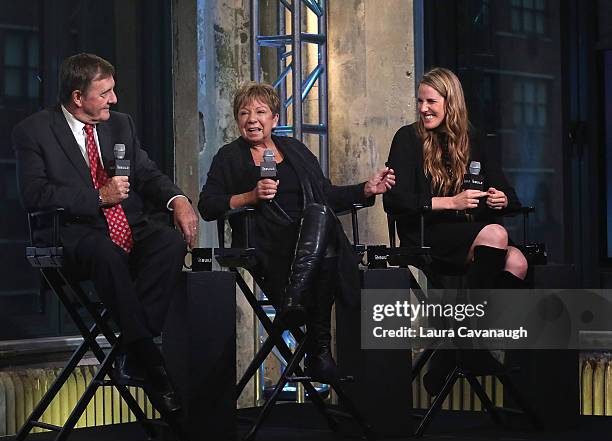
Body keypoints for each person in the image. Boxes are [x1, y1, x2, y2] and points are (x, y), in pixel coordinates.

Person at [13, 53, 199, 413]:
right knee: (106, 252)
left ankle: (134, 351)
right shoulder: (34, 131)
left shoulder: (120, 125)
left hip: (128, 225)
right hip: (75, 232)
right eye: (105, 93)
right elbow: (34, 195)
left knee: (169, 242)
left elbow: (145, 173)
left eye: (113, 91)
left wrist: (178, 199)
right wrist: (96, 197)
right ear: (77, 97)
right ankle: (148, 357)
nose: (114, 99)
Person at [199, 82, 395, 383]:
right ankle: (319, 350)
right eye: (244, 113)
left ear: (275, 119)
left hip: (306, 241)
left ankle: (294, 303)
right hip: (264, 240)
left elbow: (325, 194)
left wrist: (366, 189)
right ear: (238, 120)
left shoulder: (296, 151)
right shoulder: (229, 157)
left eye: (261, 112)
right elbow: (208, 205)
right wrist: (250, 196)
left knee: (320, 217)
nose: (252, 119)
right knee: (324, 229)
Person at [383, 67, 528, 393]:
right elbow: (395, 200)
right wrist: (452, 203)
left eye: (431, 101)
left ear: (451, 103)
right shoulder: (407, 138)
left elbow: (507, 193)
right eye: (420, 101)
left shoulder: (473, 137)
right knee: (496, 236)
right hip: (426, 232)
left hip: (470, 234)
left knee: (518, 262)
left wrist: (499, 198)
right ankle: (470, 343)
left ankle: (455, 350)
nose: (423, 108)